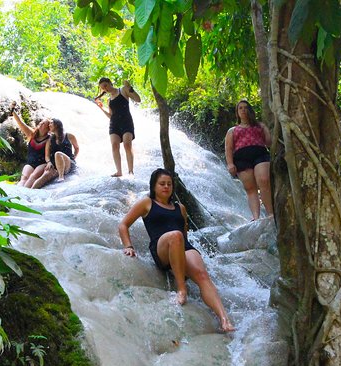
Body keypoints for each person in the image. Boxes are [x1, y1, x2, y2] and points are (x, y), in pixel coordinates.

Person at [118, 168, 235, 332]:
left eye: (169, 184)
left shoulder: (180, 208)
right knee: (175, 236)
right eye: (162, 184)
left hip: (182, 246)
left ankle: (224, 320)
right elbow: (123, 225)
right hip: (161, 247)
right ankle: (182, 289)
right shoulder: (146, 203)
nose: (166, 187)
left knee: (202, 275)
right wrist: (128, 246)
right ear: (153, 186)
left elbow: (184, 233)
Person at [224, 99, 274, 220]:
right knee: (250, 189)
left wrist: (267, 129)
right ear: (237, 112)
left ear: (250, 110)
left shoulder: (260, 126)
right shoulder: (232, 130)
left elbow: (269, 142)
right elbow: (228, 148)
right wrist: (230, 164)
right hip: (242, 160)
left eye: (246, 107)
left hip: (260, 155)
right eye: (240, 108)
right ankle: (256, 217)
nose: (243, 110)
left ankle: (271, 214)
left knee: (264, 181)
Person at [94, 77, 141, 177]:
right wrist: (101, 108)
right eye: (103, 88)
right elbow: (111, 116)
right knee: (114, 145)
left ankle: (130, 171)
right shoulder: (108, 100)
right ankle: (119, 171)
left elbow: (138, 99)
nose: (105, 89)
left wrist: (130, 87)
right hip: (114, 124)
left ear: (111, 83)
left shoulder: (123, 90)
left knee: (127, 145)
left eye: (106, 85)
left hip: (126, 121)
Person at [9, 102, 51, 188]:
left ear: (48, 128)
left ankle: (25, 193)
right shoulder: (32, 134)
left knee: (32, 177)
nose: (41, 124)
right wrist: (13, 110)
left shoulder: (49, 139)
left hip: (41, 163)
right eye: (41, 122)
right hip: (31, 163)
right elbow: (21, 123)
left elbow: (48, 154)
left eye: (44, 124)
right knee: (24, 178)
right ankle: (17, 191)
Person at [38, 118, 80, 184]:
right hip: (55, 166)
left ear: (57, 125)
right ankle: (29, 191)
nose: (49, 125)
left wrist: (74, 157)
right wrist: (49, 162)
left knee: (58, 154)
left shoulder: (69, 136)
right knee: (44, 176)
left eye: (51, 123)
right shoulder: (50, 140)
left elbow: (77, 148)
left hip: (68, 163)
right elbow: (47, 156)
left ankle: (61, 178)